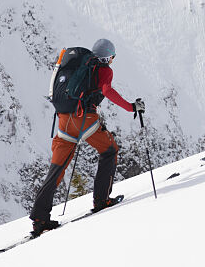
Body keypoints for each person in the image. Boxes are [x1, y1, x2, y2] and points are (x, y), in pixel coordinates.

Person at [29, 38, 145, 237]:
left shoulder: (79, 66)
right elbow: (107, 91)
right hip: (84, 119)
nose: (112, 61)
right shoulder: (104, 70)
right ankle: (102, 200)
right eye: (112, 58)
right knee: (110, 151)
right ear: (108, 57)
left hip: (64, 120)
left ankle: (40, 219)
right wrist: (131, 107)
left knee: (57, 169)